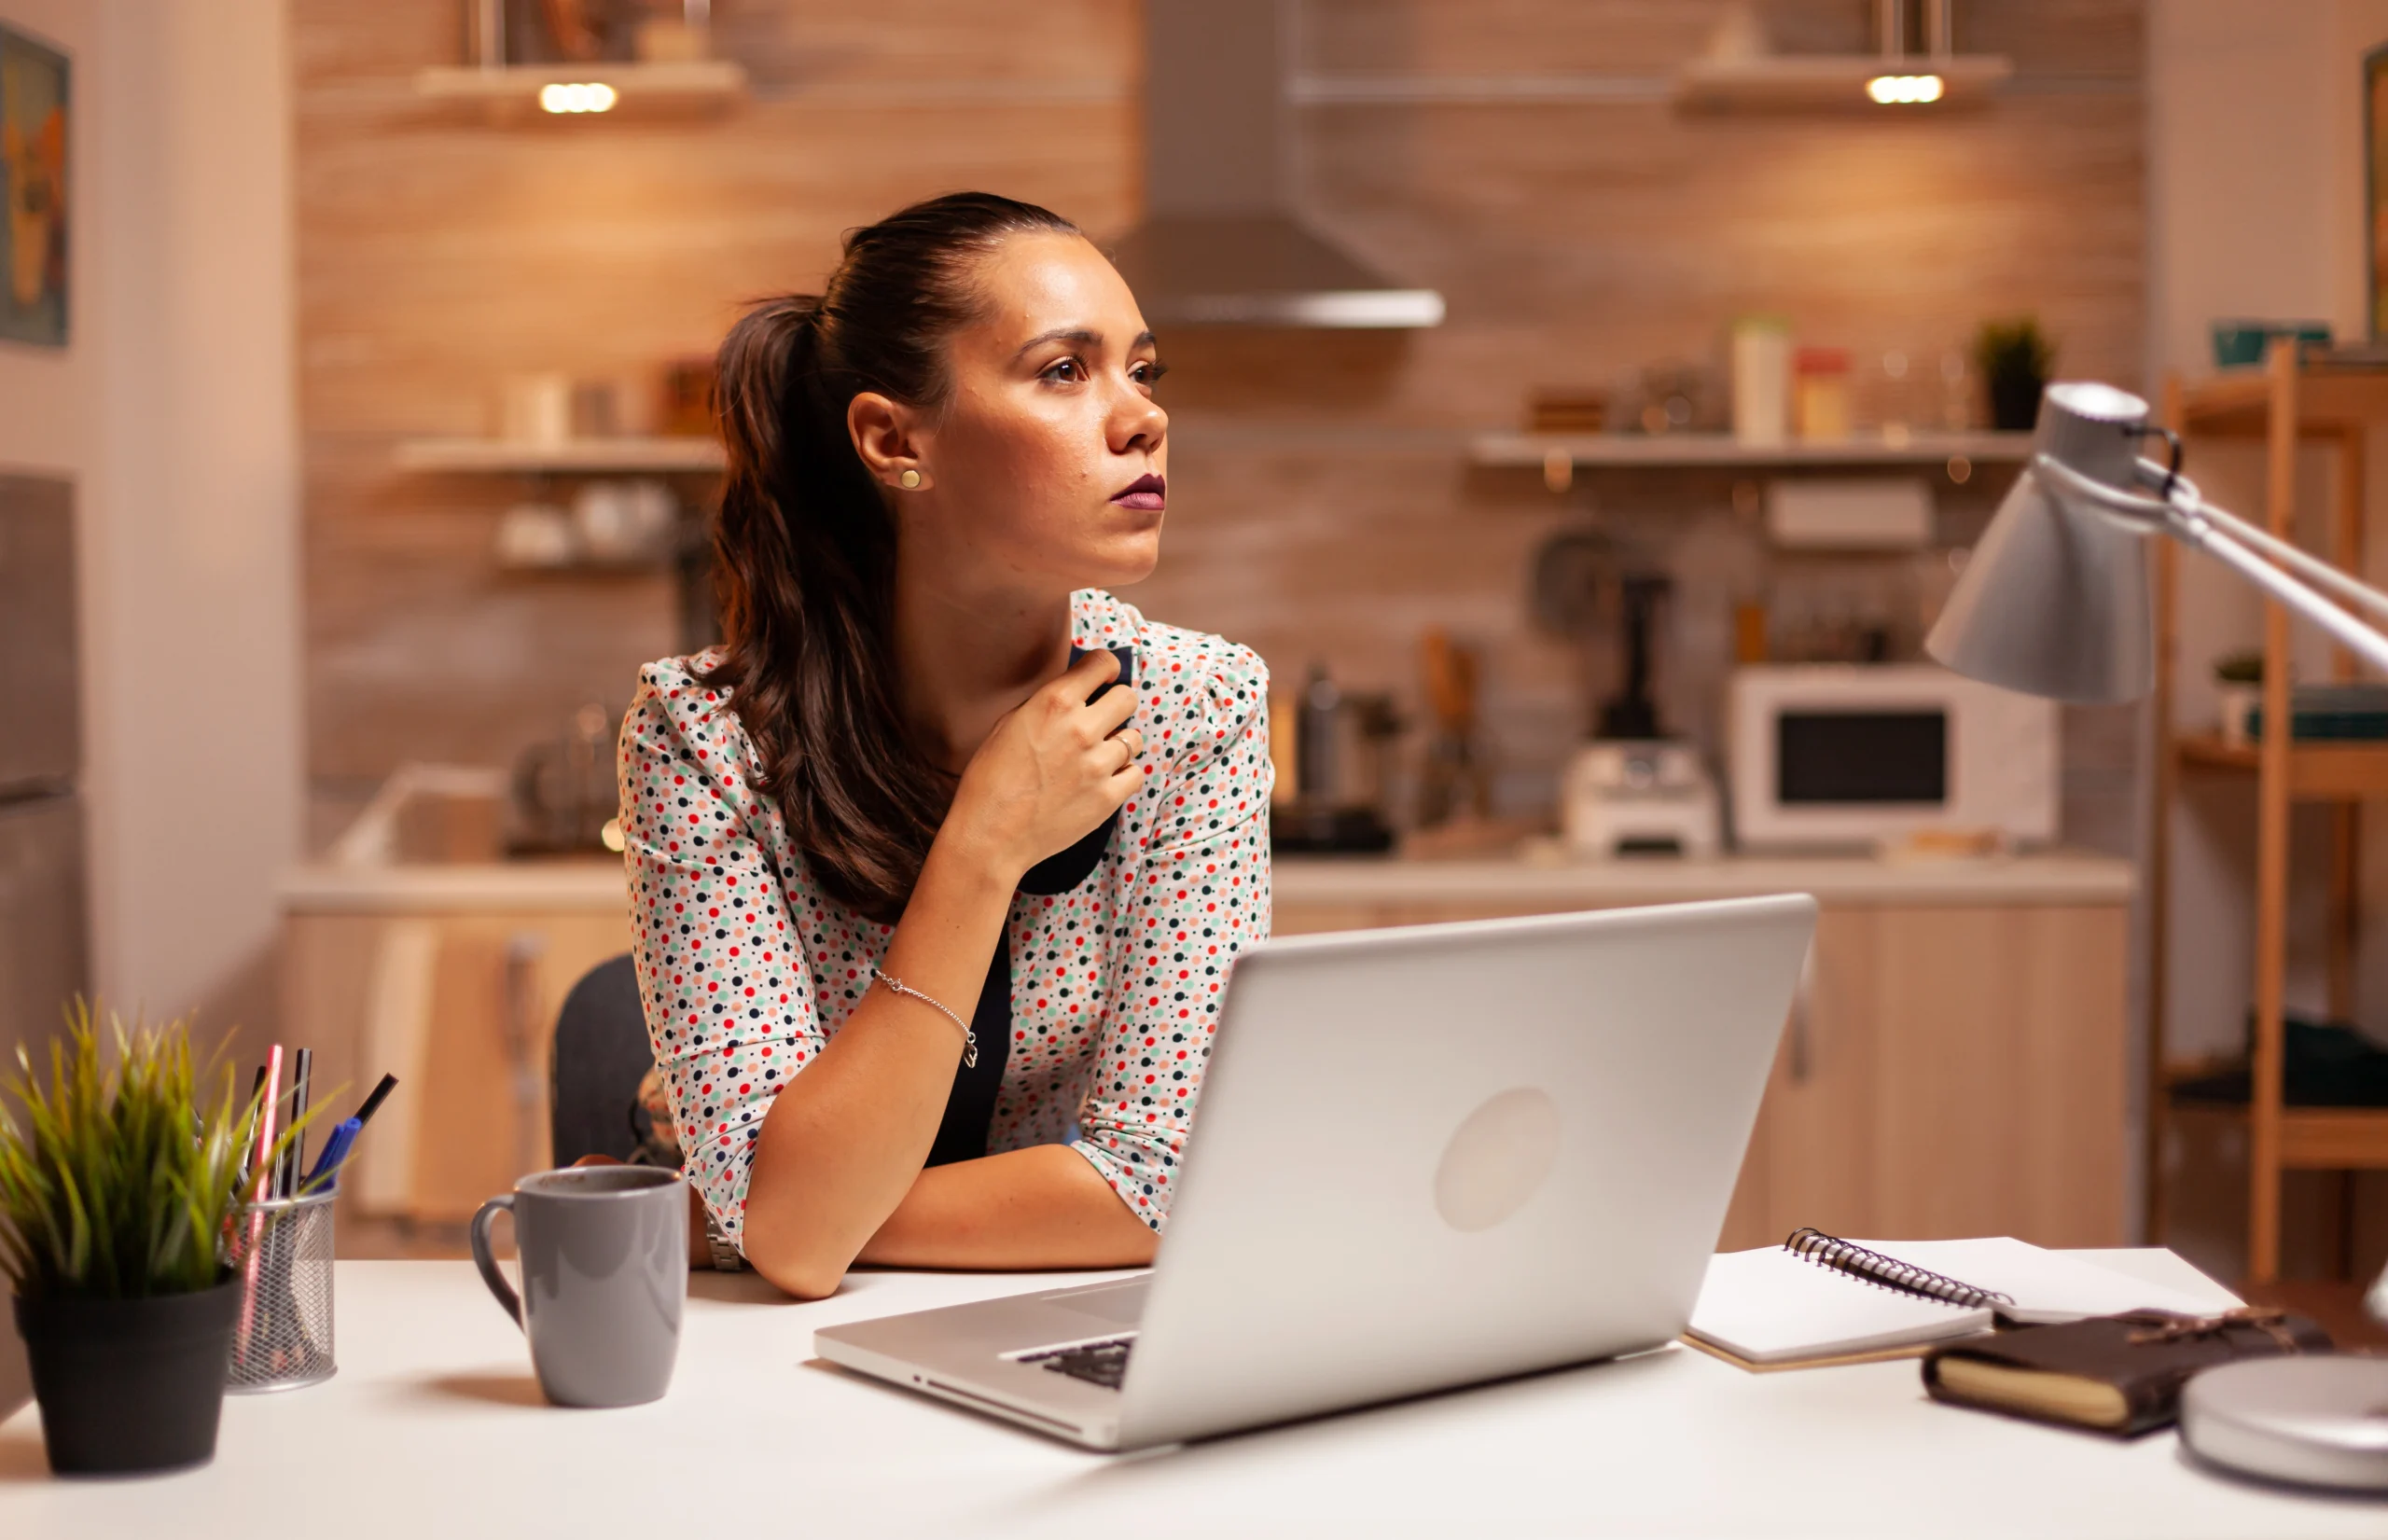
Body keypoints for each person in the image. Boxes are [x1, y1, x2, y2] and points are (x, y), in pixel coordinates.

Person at [618, 192, 1272, 1299]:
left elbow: (1161, 1184)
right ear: (893, 439)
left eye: (1142, 372)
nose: (1141, 418)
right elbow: (799, 1247)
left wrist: (753, 1216)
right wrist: (983, 841)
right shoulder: (706, 741)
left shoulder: (1197, 707)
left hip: (1071, 1328)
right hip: (773, 1367)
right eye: (1066, 371)